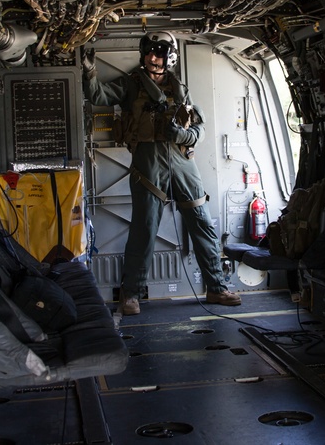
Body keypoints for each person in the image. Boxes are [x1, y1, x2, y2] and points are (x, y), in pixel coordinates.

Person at [83, 31, 242, 315]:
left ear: (169, 56)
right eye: (148, 52)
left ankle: (216, 288)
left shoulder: (180, 88)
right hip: (148, 163)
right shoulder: (131, 85)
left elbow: (200, 129)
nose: (152, 58)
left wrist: (182, 135)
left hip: (182, 160)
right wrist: (89, 70)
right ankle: (130, 295)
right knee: (144, 229)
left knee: (202, 223)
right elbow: (98, 95)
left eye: (158, 53)